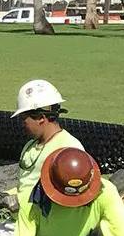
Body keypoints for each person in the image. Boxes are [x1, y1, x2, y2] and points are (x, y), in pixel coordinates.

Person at [12, 79, 84, 209]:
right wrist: (9, 194)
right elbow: (26, 184)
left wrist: (19, 201)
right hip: (20, 219)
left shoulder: (68, 150)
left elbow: (71, 196)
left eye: (24, 119)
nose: (22, 124)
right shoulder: (30, 146)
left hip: (46, 222)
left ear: (40, 118)